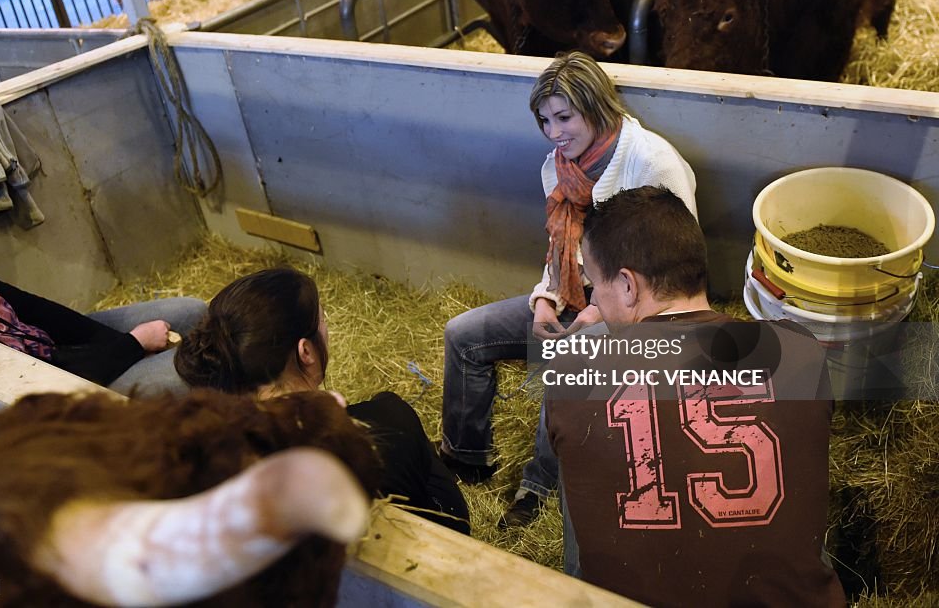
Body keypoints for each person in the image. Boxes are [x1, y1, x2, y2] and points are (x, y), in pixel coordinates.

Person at [545, 186, 845, 606]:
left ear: (628, 285)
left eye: (595, 285)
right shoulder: (800, 350)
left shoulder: (573, 370)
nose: (594, 300)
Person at [439, 51, 697, 529]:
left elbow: (677, 273)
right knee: (464, 334)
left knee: (568, 359)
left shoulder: (654, 164)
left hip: (642, 317)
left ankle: (540, 484)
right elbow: (563, 253)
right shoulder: (558, 169)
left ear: (596, 106)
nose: (554, 132)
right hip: (578, 299)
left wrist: (601, 312)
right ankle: (465, 456)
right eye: (544, 120)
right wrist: (546, 299)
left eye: (564, 117)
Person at [174, 267, 471, 534]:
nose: (327, 329)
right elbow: (455, 523)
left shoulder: (205, 441)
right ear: (306, 352)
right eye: (323, 320)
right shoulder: (385, 424)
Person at [0, 196, 205, 395]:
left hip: (63, 350)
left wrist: (118, 343)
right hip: (67, 389)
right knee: (192, 375)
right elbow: (46, 384)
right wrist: (133, 345)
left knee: (192, 311)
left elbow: (42, 313)